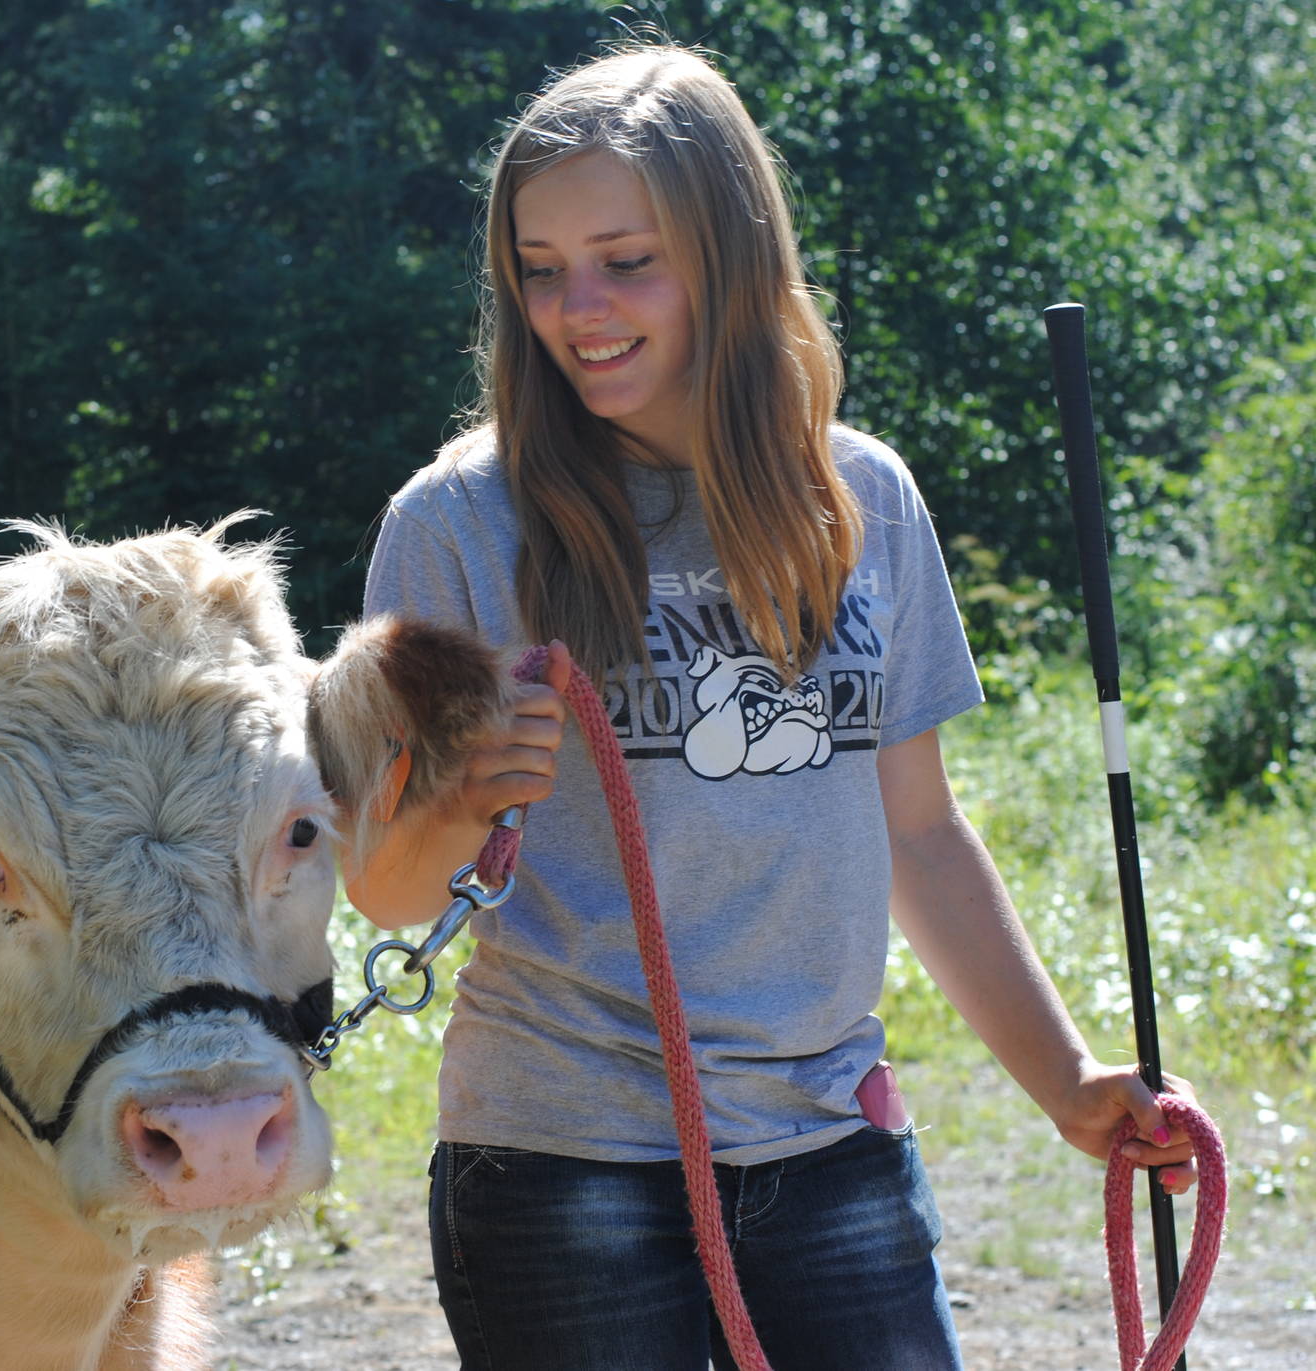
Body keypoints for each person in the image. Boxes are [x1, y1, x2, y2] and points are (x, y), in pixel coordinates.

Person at [347, 44, 1203, 1371]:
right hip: (559, 1153)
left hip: (831, 1143)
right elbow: (390, 895)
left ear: (730, 254)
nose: (580, 307)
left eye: (627, 259)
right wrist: (459, 804)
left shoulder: (859, 500)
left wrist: (1071, 1083)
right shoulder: (459, 526)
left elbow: (920, 834)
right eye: (540, 267)